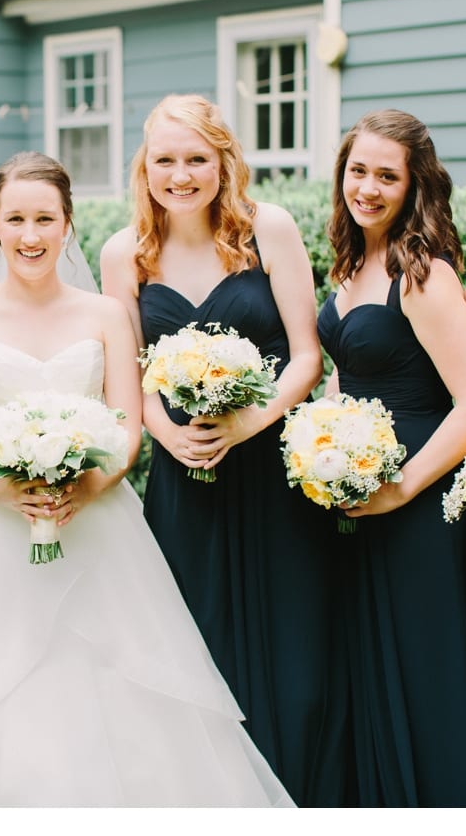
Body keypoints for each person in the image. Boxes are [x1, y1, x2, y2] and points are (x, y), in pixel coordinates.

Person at [0, 151, 291, 807]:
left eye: (45, 218)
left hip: (96, 525)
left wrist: (84, 487)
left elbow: (127, 427)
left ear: (68, 226)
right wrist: (6, 489)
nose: (30, 234)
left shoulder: (104, 313)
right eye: (16, 219)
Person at [100, 94, 346, 805]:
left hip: (272, 474)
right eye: (165, 160)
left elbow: (307, 358)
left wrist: (250, 422)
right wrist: (162, 427)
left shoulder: (267, 230)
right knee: (193, 651)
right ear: (145, 167)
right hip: (185, 480)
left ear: (223, 162)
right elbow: (129, 370)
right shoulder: (126, 252)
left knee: (295, 662)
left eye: (197, 159)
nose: (181, 174)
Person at [315, 108, 466, 806]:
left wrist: (404, 487)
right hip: (363, 495)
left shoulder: (423, 274)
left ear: (414, 186)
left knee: (426, 676)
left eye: (385, 176)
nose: (366, 187)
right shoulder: (355, 258)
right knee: (373, 667)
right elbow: (353, 370)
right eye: (357, 170)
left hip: (421, 508)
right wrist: (322, 445)